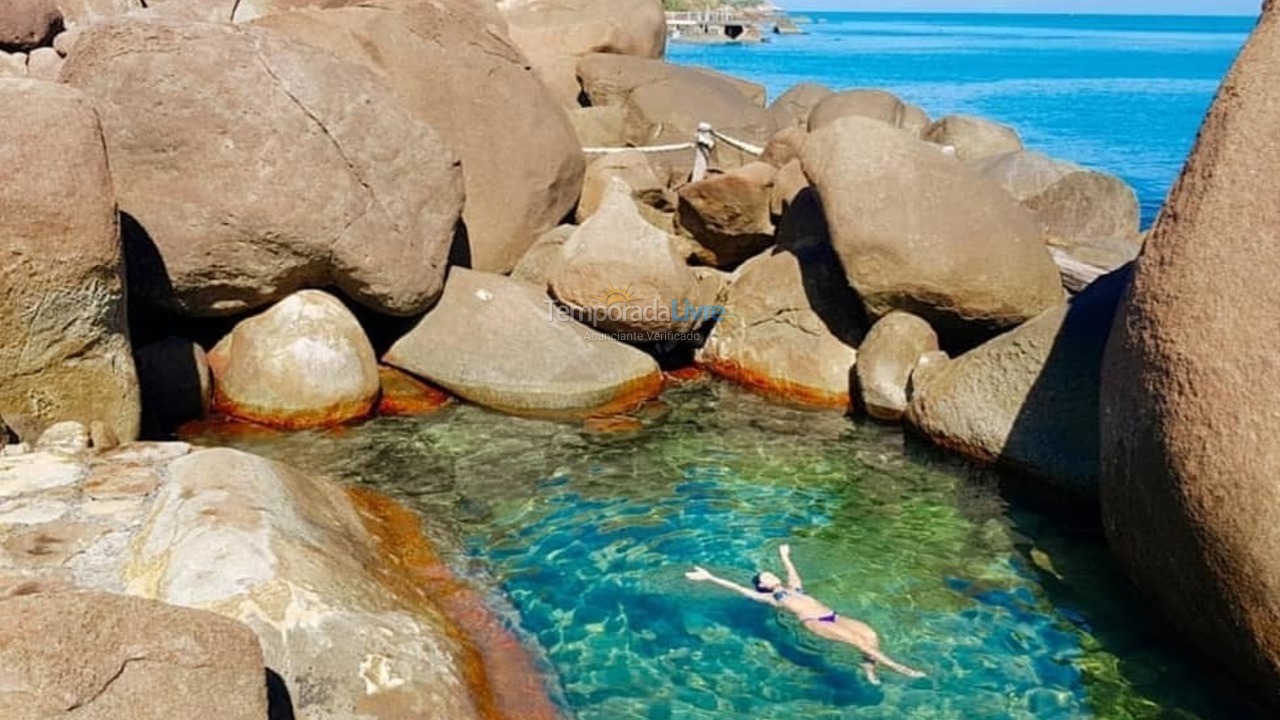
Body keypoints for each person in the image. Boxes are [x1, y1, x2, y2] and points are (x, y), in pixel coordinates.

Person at [685, 544, 926, 684]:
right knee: (856, 641)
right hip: (815, 622)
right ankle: (901, 669)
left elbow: (793, 574)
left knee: (870, 635)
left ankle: (868, 667)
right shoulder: (771, 598)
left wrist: (784, 557)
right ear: (763, 586)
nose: (770, 575)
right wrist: (709, 577)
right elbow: (738, 588)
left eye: (770, 573)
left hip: (833, 615)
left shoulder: (793, 589)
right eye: (765, 576)